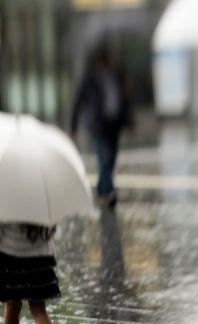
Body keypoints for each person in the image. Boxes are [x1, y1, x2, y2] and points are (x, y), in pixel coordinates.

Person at [70, 45, 133, 207]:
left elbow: (124, 101)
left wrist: (129, 122)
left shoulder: (117, 76)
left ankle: (101, 189)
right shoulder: (90, 78)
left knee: (110, 159)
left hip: (114, 124)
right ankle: (110, 191)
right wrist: (73, 126)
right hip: (97, 126)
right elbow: (78, 102)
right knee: (104, 158)